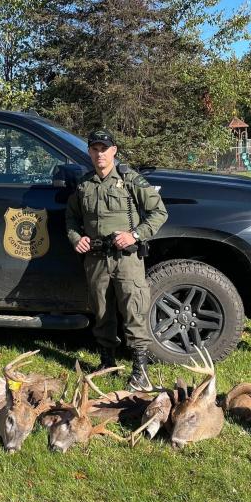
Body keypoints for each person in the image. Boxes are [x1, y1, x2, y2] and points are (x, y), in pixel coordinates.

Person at [65, 129, 168, 390]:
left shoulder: (130, 179)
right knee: (101, 311)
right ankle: (106, 361)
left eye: (104, 148)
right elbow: (71, 218)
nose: (100, 154)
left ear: (114, 151)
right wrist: (77, 238)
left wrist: (135, 235)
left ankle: (140, 368)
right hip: (96, 258)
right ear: (90, 152)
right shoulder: (83, 185)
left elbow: (158, 212)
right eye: (95, 149)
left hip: (126, 258)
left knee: (134, 309)